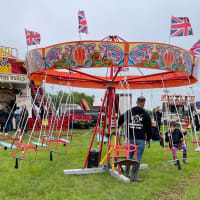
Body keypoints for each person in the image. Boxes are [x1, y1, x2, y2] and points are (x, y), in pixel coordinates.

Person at [118, 96, 152, 182]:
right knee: (138, 158)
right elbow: (149, 128)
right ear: (143, 103)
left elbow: (120, 120)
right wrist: (148, 139)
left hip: (130, 138)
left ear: (136, 102)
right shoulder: (146, 114)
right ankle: (134, 177)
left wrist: (122, 126)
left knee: (129, 156)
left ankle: (126, 174)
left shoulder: (129, 112)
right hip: (140, 139)